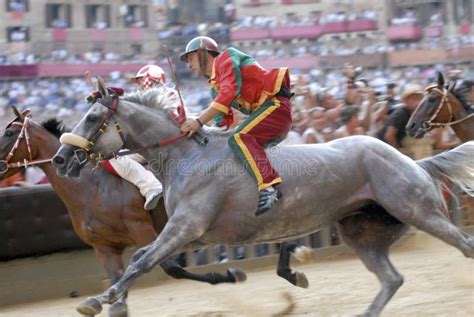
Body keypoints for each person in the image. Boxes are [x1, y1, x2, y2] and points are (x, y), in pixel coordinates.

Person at [179, 36, 293, 216]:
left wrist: (198, 122)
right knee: (229, 143)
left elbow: (228, 94)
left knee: (239, 138)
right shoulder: (215, 87)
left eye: (190, 58)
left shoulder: (226, 58)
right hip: (266, 113)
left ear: (203, 54)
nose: (188, 65)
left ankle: (270, 187)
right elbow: (222, 124)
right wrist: (198, 134)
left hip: (276, 107)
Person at [96, 65, 166, 210]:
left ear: (151, 80)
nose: (139, 85)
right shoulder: (140, 102)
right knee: (109, 158)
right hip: (147, 146)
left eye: (141, 81)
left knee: (111, 158)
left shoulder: (166, 95)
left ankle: (152, 186)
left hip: (163, 146)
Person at [376, 84, 424, 153]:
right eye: (414, 99)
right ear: (406, 101)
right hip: (385, 149)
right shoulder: (401, 113)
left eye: (419, 99)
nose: (418, 102)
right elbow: (389, 136)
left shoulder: (415, 113)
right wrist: (398, 151)